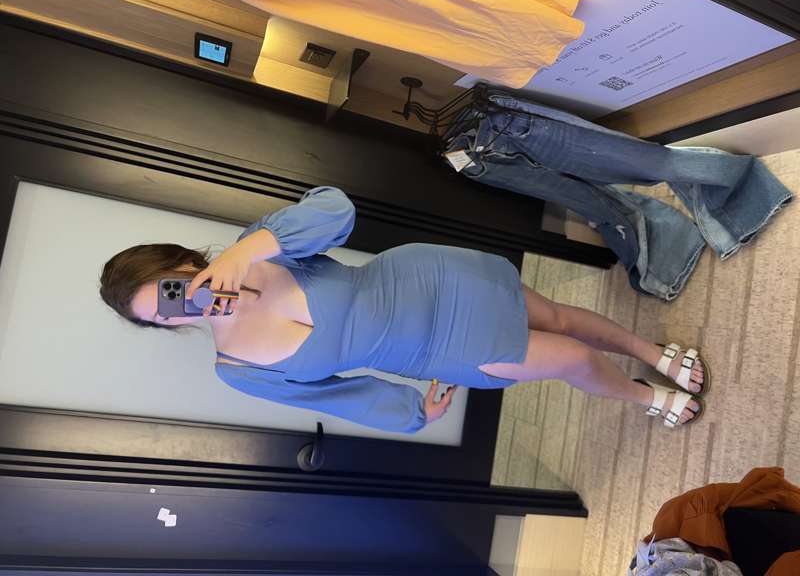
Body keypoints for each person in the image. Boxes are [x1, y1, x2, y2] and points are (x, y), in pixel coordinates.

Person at [99, 186, 708, 434]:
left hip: (426, 278)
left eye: (170, 292)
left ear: (183, 264)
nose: (179, 311)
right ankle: (644, 396)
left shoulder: (261, 247)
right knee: (570, 358)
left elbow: (335, 209)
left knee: (559, 318)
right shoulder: (235, 367)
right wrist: (412, 412)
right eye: (162, 317)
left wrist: (249, 249)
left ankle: (650, 352)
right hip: (432, 351)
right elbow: (334, 397)